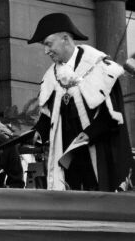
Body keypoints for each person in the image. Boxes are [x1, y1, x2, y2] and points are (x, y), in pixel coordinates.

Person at [28, 12, 133, 191]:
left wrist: (90, 133)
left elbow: (113, 117)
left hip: (98, 154)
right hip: (66, 159)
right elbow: (49, 117)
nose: (46, 51)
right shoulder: (50, 76)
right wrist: (38, 132)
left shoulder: (100, 68)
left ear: (65, 38)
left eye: (48, 44)